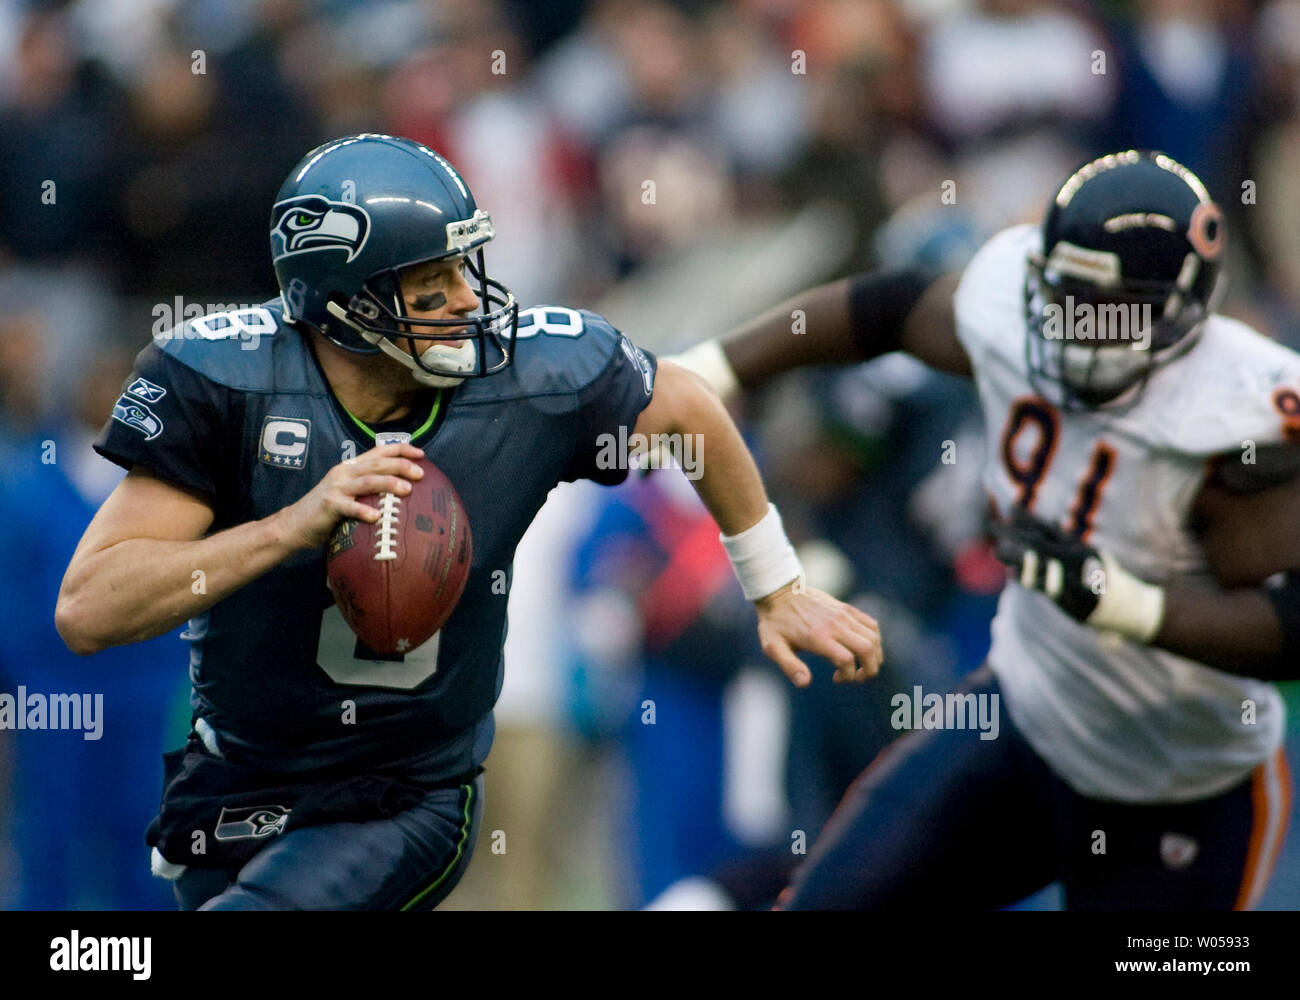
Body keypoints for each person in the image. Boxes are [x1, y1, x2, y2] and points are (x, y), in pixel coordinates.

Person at [53, 133, 882, 911]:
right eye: (429, 283)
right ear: (342, 304)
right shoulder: (227, 383)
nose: (464, 299)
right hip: (238, 781)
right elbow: (89, 610)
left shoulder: (533, 377)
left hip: (405, 793)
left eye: (463, 266)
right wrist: (290, 528)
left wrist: (774, 585)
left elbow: (690, 405)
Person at [672, 149, 1297, 910]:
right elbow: (884, 311)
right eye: (1063, 300)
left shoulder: (1243, 410)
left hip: (1187, 786)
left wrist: (1123, 603)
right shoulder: (1005, 310)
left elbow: (1290, 627)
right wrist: (709, 371)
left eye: (1102, 311)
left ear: (1180, 308)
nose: (1070, 332)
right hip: (1027, 720)